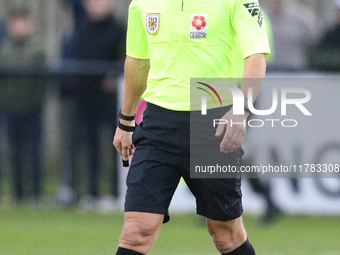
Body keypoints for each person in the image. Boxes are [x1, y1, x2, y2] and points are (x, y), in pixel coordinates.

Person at [113, 0, 270, 254]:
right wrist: (126, 120)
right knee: (136, 231)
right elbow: (137, 62)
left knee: (225, 233)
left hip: (212, 125)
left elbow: (256, 56)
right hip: (157, 125)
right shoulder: (141, 3)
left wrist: (241, 109)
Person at [57, 0, 125, 208]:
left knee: (118, 144)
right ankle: (92, 192)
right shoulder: (81, 28)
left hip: (111, 98)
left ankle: (117, 192)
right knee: (89, 144)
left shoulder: (119, 28)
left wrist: (114, 77)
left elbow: (125, 59)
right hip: (86, 96)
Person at [0, 7, 47, 203]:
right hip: (10, 109)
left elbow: (42, 82)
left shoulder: (38, 49)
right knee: (14, 152)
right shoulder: (5, 50)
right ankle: (18, 193)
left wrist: (35, 101)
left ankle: (36, 193)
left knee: (35, 152)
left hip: (33, 109)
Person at [264, 0, 314, 71]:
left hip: (294, 68)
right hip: (268, 69)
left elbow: (312, 41)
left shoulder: (303, 16)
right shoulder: (259, 15)